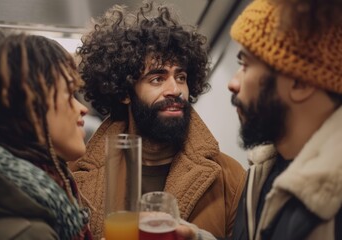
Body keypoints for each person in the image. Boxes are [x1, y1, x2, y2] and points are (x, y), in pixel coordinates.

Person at [70, 2, 246, 240]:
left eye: (181, 77)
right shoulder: (74, 175)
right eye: (157, 79)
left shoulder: (230, 177)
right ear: (124, 93)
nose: (175, 90)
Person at [228, 0, 342, 239]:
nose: (233, 83)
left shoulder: (332, 209)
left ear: (300, 83)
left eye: (245, 65)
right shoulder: (261, 174)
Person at [0, 29, 93, 239]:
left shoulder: (44, 191)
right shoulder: (29, 232)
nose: (82, 108)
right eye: (69, 93)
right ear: (29, 108)